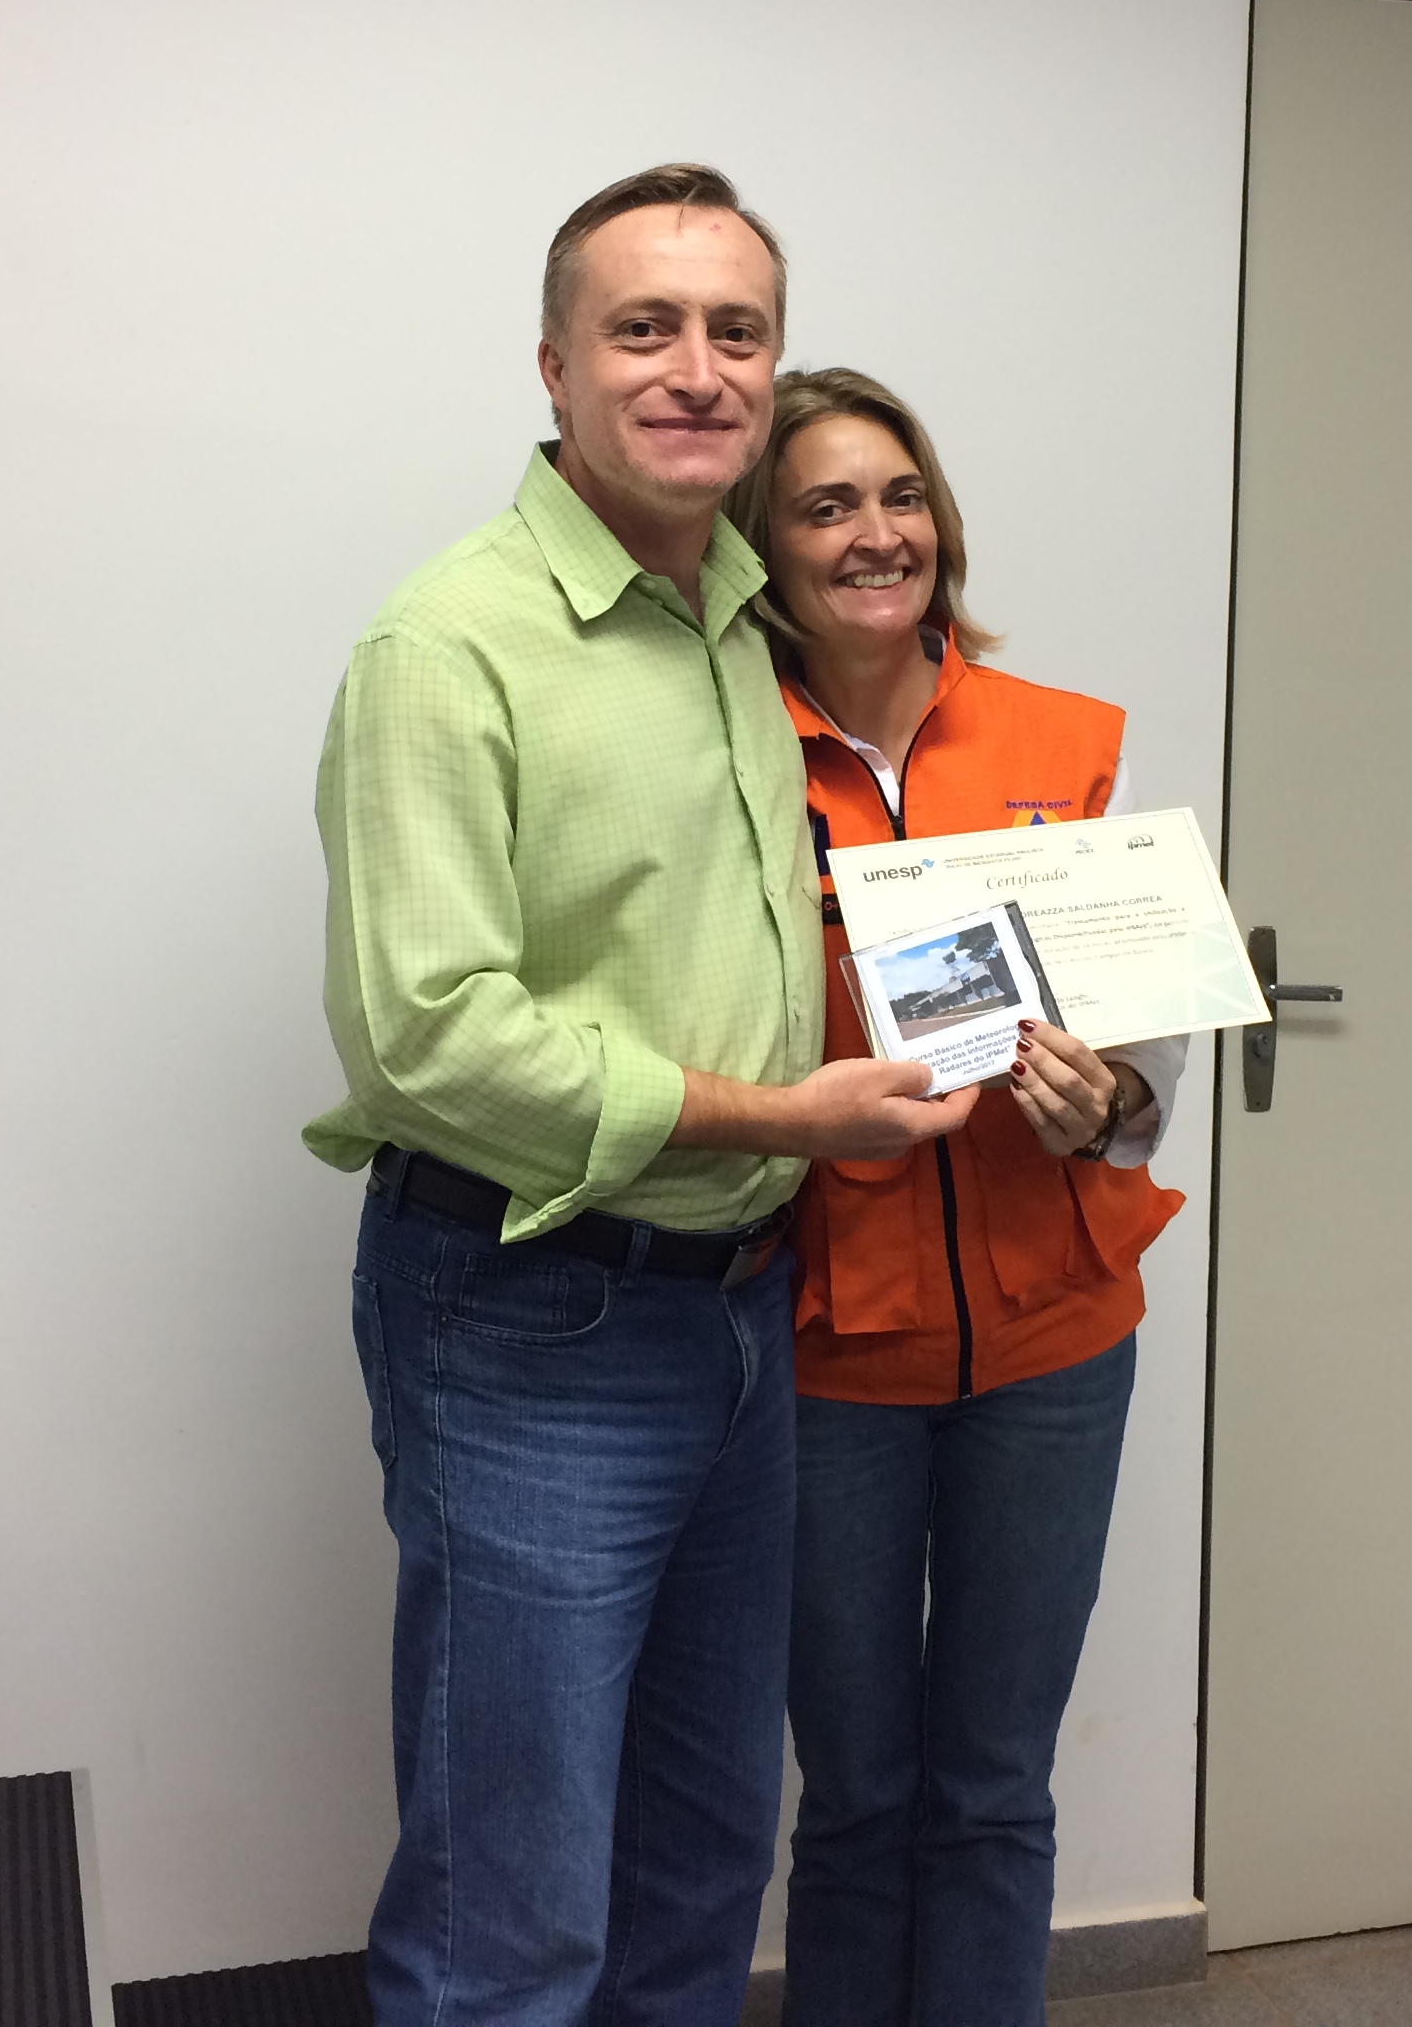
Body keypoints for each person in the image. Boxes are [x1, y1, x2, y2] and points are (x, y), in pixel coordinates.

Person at [306, 171, 976, 2027]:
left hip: (744, 1319)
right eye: (645, 329)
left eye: (736, 331)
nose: (698, 369)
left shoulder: (743, 624)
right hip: (531, 1321)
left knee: (700, 1868)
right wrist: (787, 1124)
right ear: (555, 365)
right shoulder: (450, 647)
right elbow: (428, 1035)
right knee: (509, 1920)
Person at [726, 369, 1189, 2027]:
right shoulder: (719, 754)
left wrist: (1112, 1101)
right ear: (763, 547)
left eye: (900, 495)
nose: (876, 534)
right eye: (826, 506)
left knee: (994, 1784)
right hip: (830, 1352)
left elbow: (1139, 1035)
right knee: (857, 1797)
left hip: (1056, 1346)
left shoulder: (1059, 737)